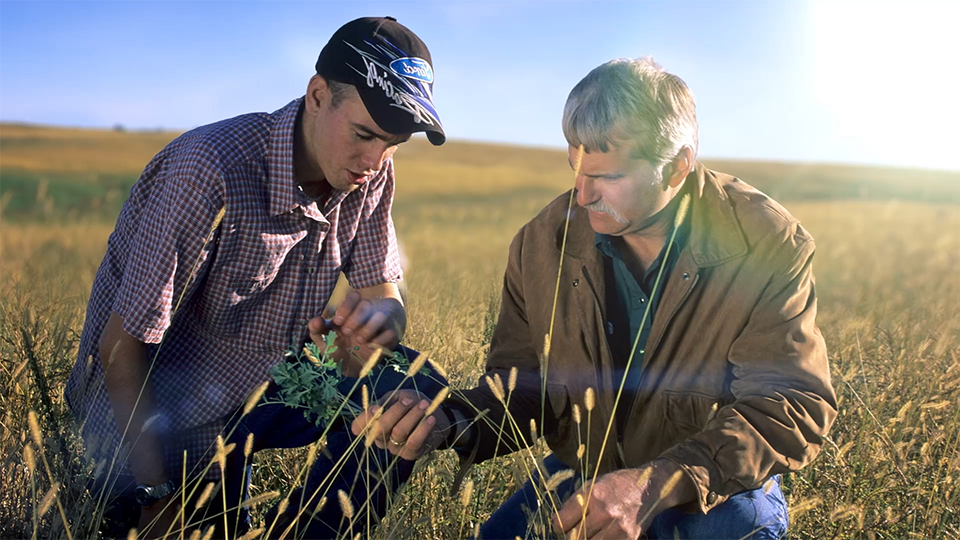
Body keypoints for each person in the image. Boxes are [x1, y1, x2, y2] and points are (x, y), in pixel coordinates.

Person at [353, 56, 838, 539]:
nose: (582, 195)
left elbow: (793, 404)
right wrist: (449, 419)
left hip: (717, 491)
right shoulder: (541, 242)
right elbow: (521, 386)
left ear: (677, 167)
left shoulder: (768, 242)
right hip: (583, 475)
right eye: (575, 169)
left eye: (606, 177)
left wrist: (654, 484)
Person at [65, 16, 447, 539]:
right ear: (317, 95)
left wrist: (375, 325)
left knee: (416, 390)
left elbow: (385, 293)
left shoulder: (370, 170)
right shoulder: (209, 169)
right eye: (363, 134)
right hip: (150, 416)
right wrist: (155, 497)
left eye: (393, 143)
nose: (374, 159)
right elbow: (120, 347)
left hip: (255, 389)